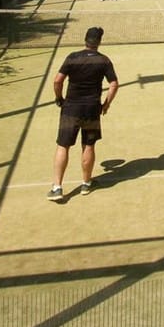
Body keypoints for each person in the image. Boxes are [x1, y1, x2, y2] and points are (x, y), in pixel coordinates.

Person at [49, 26, 119, 202]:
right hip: (91, 110)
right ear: (99, 42)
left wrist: (59, 98)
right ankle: (86, 184)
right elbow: (114, 84)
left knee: (63, 145)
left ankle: (57, 188)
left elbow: (57, 81)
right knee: (88, 145)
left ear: (85, 40)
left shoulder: (72, 57)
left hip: (70, 109)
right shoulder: (104, 61)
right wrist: (106, 104)